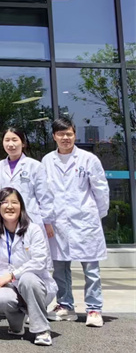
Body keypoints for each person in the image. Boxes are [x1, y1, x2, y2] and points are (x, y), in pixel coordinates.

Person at [42, 117, 109, 327]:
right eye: (61, 134)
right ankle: (65, 305)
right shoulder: (47, 161)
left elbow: (101, 190)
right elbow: (44, 193)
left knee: (91, 269)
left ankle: (94, 309)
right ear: (54, 136)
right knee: (60, 269)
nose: (65, 138)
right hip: (57, 223)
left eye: (69, 134)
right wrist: (46, 220)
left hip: (85, 222)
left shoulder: (89, 159)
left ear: (75, 135)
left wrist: (95, 216)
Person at [0, 187, 57, 347]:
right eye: (4, 202)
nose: (9, 206)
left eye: (14, 202)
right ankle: (16, 325)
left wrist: (11, 275)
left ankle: (42, 330)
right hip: (9, 286)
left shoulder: (33, 229)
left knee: (27, 279)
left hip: (36, 286)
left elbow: (39, 261)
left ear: (21, 207)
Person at [0, 128, 54, 237]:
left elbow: (44, 196)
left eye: (15, 140)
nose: (11, 144)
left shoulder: (35, 166)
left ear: (23, 143)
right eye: (7, 140)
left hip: (30, 218)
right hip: (6, 219)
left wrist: (47, 221)